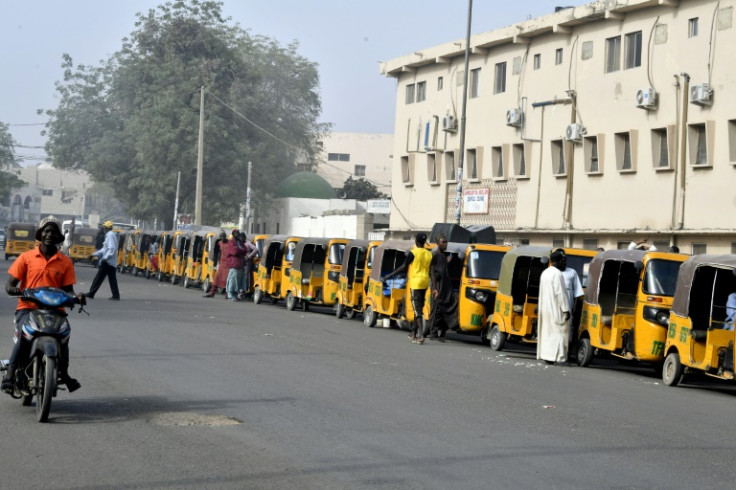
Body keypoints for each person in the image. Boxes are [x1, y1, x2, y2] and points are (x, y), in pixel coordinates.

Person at [1, 216, 84, 394]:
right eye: (46, 231)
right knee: (25, 334)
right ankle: (9, 374)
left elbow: (68, 290)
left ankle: (64, 373)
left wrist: (76, 297)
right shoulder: (26, 257)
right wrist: (14, 290)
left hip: (55, 311)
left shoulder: (65, 262)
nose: (49, 234)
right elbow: (10, 285)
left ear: (58, 235)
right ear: (40, 234)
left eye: (53, 231)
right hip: (28, 309)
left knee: (64, 337)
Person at [383, 232, 433, 344]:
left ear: (416, 241)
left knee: (417, 310)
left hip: (415, 284)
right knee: (418, 309)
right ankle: (413, 333)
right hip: (425, 283)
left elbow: (404, 267)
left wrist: (390, 275)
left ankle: (421, 335)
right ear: (424, 242)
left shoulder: (413, 253)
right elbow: (432, 271)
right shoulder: (429, 254)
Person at [536, 250, 571, 365]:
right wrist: (566, 309)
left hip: (545, 309)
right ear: (559, 261)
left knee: (548, 333)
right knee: (561, 332)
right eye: (563, 261)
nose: (564, 264)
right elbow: (560, 293)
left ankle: (548, 356)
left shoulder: (545, 273)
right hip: (556, 309)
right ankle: (560, 358)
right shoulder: (557, 274)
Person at [427, 234, 459, 342]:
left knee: (443, 310)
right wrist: (435, 288)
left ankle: (439, 333)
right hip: (438, 286)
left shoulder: (443, 256)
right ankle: (432, 333)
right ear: (438, 243)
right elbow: (432, 272)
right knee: (435, 310)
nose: (445, 244)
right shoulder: (435, 255)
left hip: (445, 287)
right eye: (443, 242)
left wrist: (448, 261)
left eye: (446, 242)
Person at [553, 249, 584, 351]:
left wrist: (574, 310)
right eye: (562, 260)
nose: (564, 262)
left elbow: (577, 294)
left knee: (566, 333)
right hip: (553, 309)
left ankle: (565, 354)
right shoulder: (550, 273)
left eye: (565, 260)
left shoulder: (572, 272)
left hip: (567, 310)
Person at [85, 221, 120, 300]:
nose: (103, 228)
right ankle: (116, 295)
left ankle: (91, 293)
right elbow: (104, 249)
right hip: (111, 262)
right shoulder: (110, 235)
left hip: (107, 261)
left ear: (106, 228)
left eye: (104, 227)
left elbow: (111, 248)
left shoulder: (110, 235)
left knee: (98, 278)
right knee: (112, 279)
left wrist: (105, 258)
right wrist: (94, 254)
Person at [203, 231, 229, 298]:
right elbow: (218, 253)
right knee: (216, 278)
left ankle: (227, 294)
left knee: (227, 280)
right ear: (220, 237)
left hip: (228, 264)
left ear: (225, 236)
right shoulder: (220, 243)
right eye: (221, 236)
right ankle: (212, 292)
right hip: (221, 264)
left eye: (223, 236)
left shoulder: (229, 243)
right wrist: (217, 262)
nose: (222, 237)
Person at [224, 230, 246, 301]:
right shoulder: (231, 242)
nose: (237, 235)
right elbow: (234, 251)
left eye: (238, 233)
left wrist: (240, 250)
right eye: (236, 234)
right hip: (234, 264)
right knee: (233, 280)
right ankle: (230, 295)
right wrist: (240, 250)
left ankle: (235, 295)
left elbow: (245, 250)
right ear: (233, 234)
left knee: (239, 281)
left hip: (240, 264)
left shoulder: (240, 242)